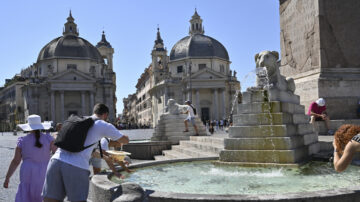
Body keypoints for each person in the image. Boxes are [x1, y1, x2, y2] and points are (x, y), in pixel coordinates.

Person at [42, 103, 129, 202]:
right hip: (76, 166)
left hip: (55, 161)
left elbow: (90, 151)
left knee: (50, 200)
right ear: (105, 115)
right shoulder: (103, 124)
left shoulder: (80, 121)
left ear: (94, 112)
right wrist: (126, 137)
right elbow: (124, 141)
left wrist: (106, 158)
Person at [3, 114, 56, 202]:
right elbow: (58, 154)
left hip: (27, 170)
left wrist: (7, 177)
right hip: (45, 169)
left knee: (26, 194)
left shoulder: (22, 141)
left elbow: (16, 161)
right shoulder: (48, 139)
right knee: (43, 192)